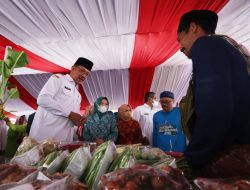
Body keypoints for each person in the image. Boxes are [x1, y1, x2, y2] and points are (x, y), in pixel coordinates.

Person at [177, 10, 250, 177]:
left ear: (193, 27)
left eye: (180, 39)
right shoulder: (231, 47)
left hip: (232, 154)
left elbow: (215, 106)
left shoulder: (205, 44)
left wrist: (195, 156)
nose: (180, 47)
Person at [29, 57, 93, 142]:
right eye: (82, 70)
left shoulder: (78, 95)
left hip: (64, 141)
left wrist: (80, 119)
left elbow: (73, 117)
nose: (84, 75)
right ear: (73, 68)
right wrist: (69, 114)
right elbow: (42, 99)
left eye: (87, 74)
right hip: (44, 138)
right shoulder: (58, 79)